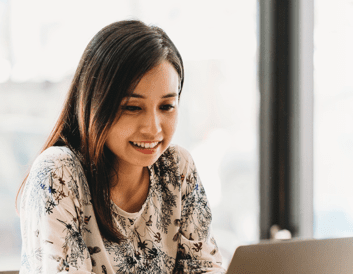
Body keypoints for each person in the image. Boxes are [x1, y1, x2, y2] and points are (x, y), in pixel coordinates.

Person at [17, 20, 225, 274]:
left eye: (166, 106)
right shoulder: (59, 173)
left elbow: (205, 267)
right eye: (133, 107)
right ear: (95, 103)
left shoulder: (176, 166)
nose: (153, 128)